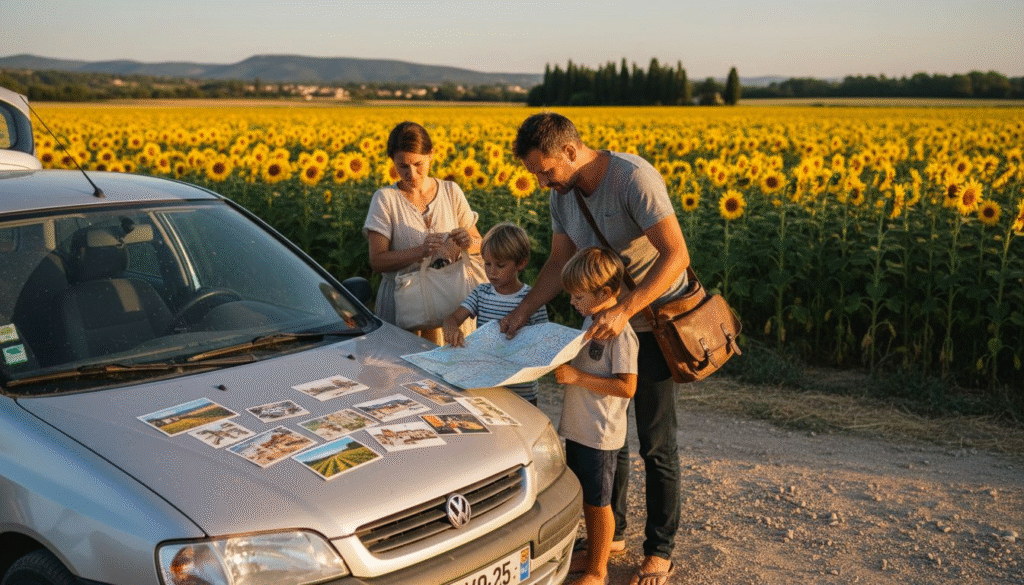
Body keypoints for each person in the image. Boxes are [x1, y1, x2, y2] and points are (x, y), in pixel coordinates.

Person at [501, 112, 689, 585]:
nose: (541, 181)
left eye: (545, 170)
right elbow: (559, 261)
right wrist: (522, 310)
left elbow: (676, 256)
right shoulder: (561, 197)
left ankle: (660, 549)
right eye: (534, 174)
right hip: (606, 320)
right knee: (611, 439)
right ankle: (615, 533)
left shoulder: (633, 179)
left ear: (570, 150)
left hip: (656, 322)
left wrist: (626, 308)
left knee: (656, 440)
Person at [553, 247, 638, 585]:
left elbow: (628, 387)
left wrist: (578, 378)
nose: (573, 301)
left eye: (578, 295)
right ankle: (592, 553)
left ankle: (597, 570)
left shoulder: (622, 334)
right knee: (583, 497)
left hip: (600, 433)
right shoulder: (589, 319)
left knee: (598, 503)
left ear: (604, 293)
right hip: (578, 427)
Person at [363, 121, 483, 345]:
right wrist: (421, 251)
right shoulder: (385, 199)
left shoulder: (451, 191)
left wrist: (468, 242)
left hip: (451, 306)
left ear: (431, 155)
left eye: (418, 164)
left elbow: (480, 244)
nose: (412, 173)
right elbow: (377, 261)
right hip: (403, 310)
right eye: (403, 166)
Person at [441, 222, 548, 404]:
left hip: (522, 391)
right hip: (486, 386)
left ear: (521, 264)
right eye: (487, 264)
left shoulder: (531, 301)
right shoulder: (481, 293)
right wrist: (451, 329)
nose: (491, 272)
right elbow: (451, 319)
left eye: (500, 265)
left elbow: (543, 341)